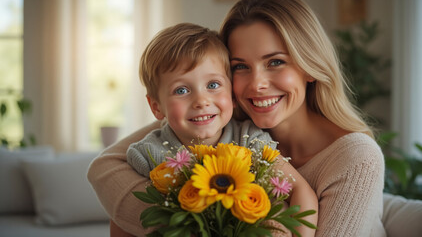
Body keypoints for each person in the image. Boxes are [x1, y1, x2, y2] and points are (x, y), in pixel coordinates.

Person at [88, 0, 385, 236]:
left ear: (309, 66)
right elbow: (103, 167)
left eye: (276, 62)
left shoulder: (355, 158)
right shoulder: (215, 118)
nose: (257, 84)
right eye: (240, 66)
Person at [92, 22, 318, 237]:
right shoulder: (148, 154)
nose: (201, 100)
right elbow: (121, 218)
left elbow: (301, 191)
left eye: (213, 85)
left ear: (232, 94)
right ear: (156, 107)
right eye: (181, 90)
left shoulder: (250, 141)